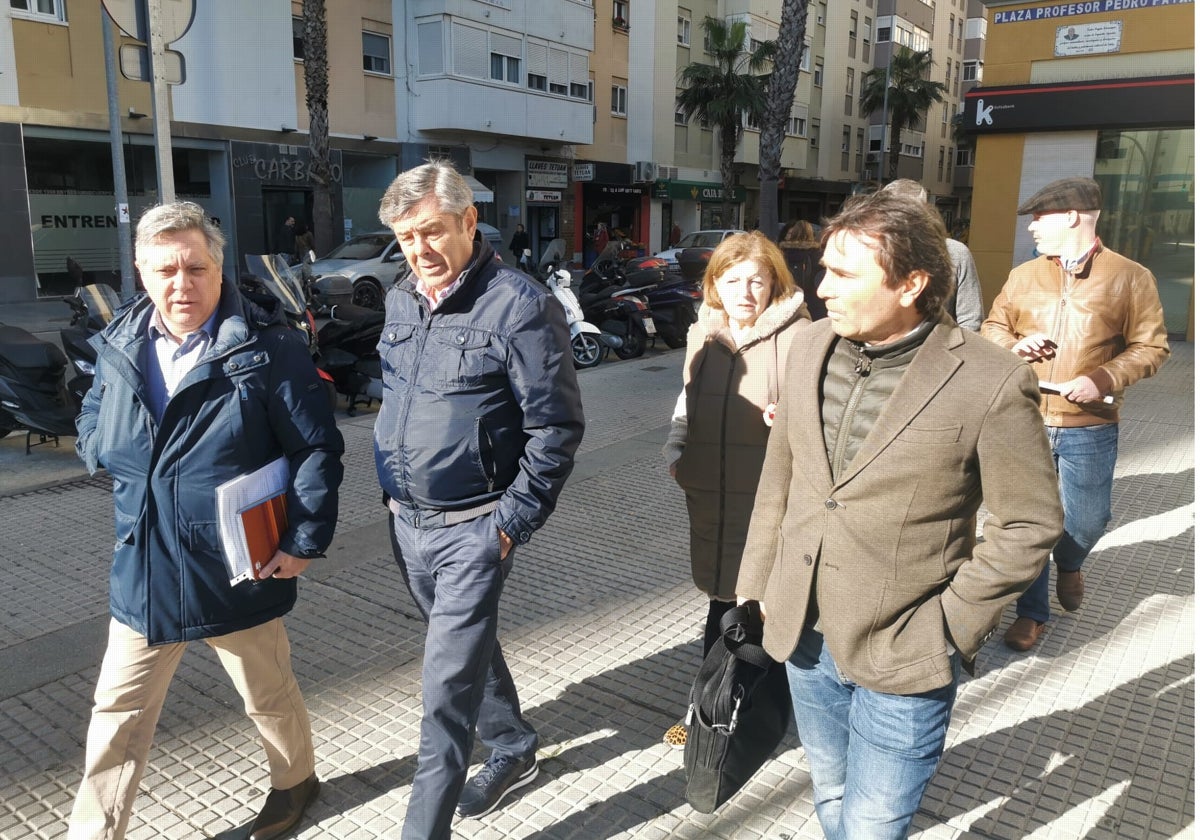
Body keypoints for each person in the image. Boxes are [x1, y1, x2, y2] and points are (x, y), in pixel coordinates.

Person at [736, 191, 1063, 839]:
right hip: (802, 633)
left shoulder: (989, 380)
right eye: (823, 267)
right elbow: (782, 473)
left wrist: (949, 626)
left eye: (844, 274)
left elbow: (1029, 524)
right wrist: (757, 580)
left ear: (911, 283)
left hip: (905, 653)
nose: (821, 287)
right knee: (828, 786)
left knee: (874, 823)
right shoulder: (805, 346)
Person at [68, 202, 344, 840]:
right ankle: (95, 831)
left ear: (218, 269)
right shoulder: (118, 344)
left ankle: (296, 781)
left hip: (239, 563)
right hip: (145, 562)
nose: (181, 284)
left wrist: (304, 538)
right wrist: (96, 445)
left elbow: (315, 447)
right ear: (141, 270)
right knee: (116, 712)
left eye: (196, 268)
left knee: (266, 693)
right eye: (166, 269)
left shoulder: (265, 349)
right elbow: (90, 411)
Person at [374, 162, 585, 840]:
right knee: (464, 648)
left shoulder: (519, 304)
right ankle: (516, 746)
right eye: (407, 237)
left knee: (444, 693)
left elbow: (555, 426)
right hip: (407, 525)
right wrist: (391, 494)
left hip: (475, 530)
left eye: (431, 231)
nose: (419, 250)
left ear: (469, 221)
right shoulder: (402, 298)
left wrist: (508, 525)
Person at [982, 176, 1169, 651]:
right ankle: (1032, 612)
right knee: (1029, 522)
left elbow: (1153, 347)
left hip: (1089, 425)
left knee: (1087, 520)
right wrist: (1014, 344)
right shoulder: (1024, 276)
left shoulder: (1130, 276)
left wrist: (1102, 379)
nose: (1032, 230)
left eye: (1039, 218)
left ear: (1072, 217)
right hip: (1024, 418)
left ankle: (1070, 563)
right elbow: (992, 326)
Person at [661, 231, 810, 748]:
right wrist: (677, 451)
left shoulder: (801, 338)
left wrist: (786, 419)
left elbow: (819, 417)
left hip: (769, 497)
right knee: (720, 601)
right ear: (714, 285)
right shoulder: (702, 333)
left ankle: (749, 712)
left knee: (763, 604)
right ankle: (709, 707)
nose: (745, 292)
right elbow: (687, 399)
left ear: (775, 285)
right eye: (732, 280)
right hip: (709, 493)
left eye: (757, 281)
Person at [882, 179, 983, 330]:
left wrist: (947, 352)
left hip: (940, 348)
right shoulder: (864, 253)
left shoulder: (956, 253)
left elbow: (971, 321)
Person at [778, 220, 827, 320]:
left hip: (789, 302)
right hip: (814, 304)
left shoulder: (781, 254)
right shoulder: (818, 255)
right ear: (811, 235)